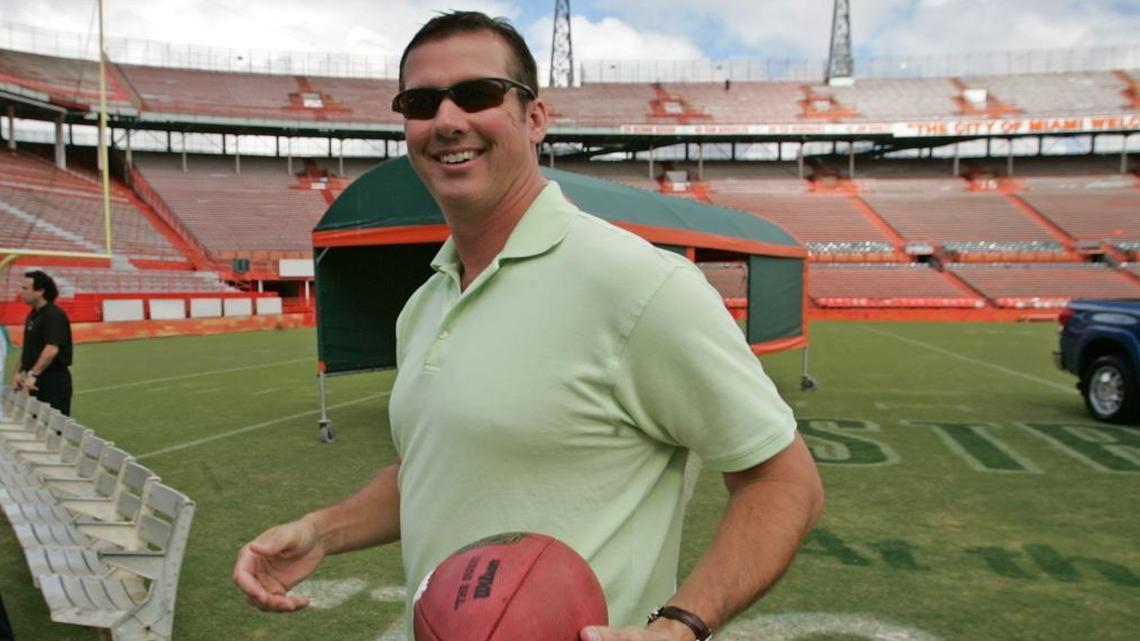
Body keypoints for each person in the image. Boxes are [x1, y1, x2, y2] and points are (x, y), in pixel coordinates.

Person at [233, 12, 824, 641]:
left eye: (480, 94)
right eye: (422, 101)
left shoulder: (639, 284)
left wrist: (679, 626)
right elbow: (434, 473)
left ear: (535, 118)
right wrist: (323, 530)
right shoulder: (425, 303)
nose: (448, 120)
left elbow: (785, 481)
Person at [12, 271, 73, 416]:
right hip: (34, 380)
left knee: (53, 429)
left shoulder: (53, 315)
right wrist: (17, 372)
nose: (20, 292)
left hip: (52, 381)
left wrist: (33, 374)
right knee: (35, 425)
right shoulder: (33, 314)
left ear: (40, 291)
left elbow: (52, 349)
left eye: (25, 288)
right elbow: (28, 348)